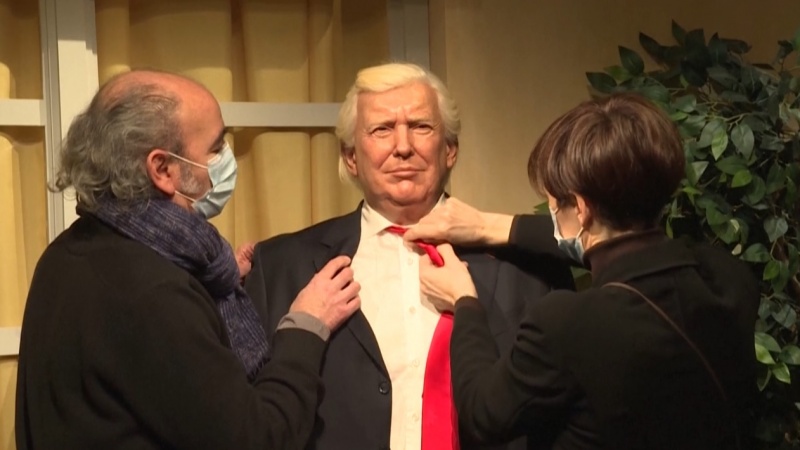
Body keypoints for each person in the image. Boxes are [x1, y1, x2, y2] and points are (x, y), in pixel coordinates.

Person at [15, 69, 361, 450]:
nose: (226, 159)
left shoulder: (67, 253)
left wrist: (201, 286)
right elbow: (257, 438)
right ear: (162, 169)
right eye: (215, 147)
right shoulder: (152, 292)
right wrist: (305, 327)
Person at [244, 62, 574, 450]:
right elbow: (251, 416)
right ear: (351, 157)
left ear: (450, 150)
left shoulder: (527, 266)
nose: (403, 147)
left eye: (421, 126)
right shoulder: (280, 266)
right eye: (382, 129)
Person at [411, 93, 759, 449]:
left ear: (581, 208)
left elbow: (483, 414)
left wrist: (464, 301)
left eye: (552, 205)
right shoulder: (728, 276)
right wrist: (489, 227)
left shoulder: (568, 323)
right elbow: (628, 250)